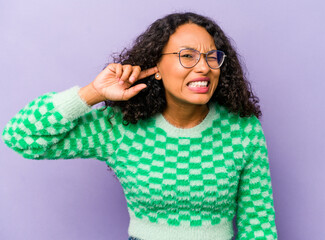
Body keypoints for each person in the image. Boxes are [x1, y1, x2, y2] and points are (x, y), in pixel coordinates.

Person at [2, 12, 277, 240]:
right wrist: (93, 93)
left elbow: (259, 224)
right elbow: (21, 136)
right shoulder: (119, 127)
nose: (203, 67)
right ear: (156, 65)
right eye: (188, 56)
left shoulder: (242, 129)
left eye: (211, 57)